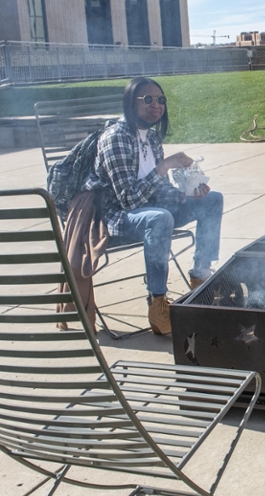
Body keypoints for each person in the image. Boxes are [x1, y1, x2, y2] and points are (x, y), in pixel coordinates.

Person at [84, 77, 224, 335]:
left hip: (153, 213)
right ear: (131, 103)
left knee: (213, 199)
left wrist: (190, 194)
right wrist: (164, 166)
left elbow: (159, 190)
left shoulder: (151, 138)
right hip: (118, 218)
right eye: (147, 99)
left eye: (160, 100)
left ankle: (201, 275)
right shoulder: (115, 138)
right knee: (160, 218)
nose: (156, 105)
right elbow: (128, 200)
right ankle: (157, 302)